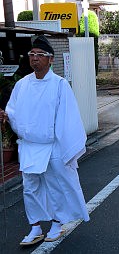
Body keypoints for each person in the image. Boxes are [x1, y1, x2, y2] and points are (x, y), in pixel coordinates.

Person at [0, 35, 89, 246]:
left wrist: (66, 148)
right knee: (30, 188)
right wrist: (5, 116)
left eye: (40, 55)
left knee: (54, 186)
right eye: (32, 55)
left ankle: (57, 222)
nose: (35, 59)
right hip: (29, 146)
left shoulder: (59, 85)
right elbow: (14, 111)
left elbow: (68, 118)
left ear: (50, 59)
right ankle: (35, 227)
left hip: (52, 146)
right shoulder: (22, 85)